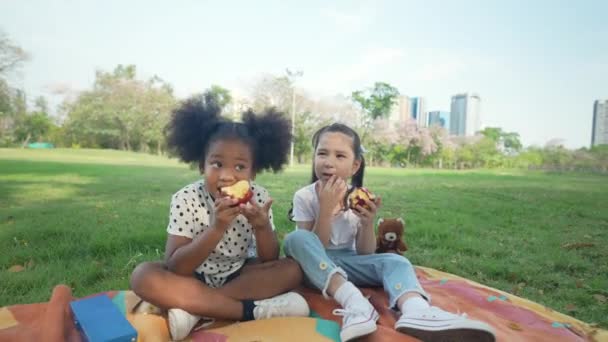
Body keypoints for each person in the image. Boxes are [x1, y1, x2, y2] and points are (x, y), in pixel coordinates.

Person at [283, 123, 495, 342]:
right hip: (317, 270)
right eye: (322, 153)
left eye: (339, 156)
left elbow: (365, 253)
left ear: (355, 166)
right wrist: (325, 209)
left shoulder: (359, 198)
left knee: (396, 261)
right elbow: (312, 247)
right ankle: (354, 302)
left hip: (349, 262)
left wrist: (367, 223)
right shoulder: (305, 197)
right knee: (295, 239)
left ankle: (415, 309)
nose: (328, 162)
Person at [130, 93, 309, 341]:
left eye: (239, 167)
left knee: (292, 270)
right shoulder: (186, 199)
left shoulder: (258, 196)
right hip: (192, 278)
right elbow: (175, 265)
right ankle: (252, 311)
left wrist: (262, 226)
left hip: (239, 275)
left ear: (253, 172)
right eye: (217, 164)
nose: (227, 176)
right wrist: (215, 229)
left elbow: (269, 259)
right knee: (143, 276)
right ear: (201, 166)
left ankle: (195, 311)